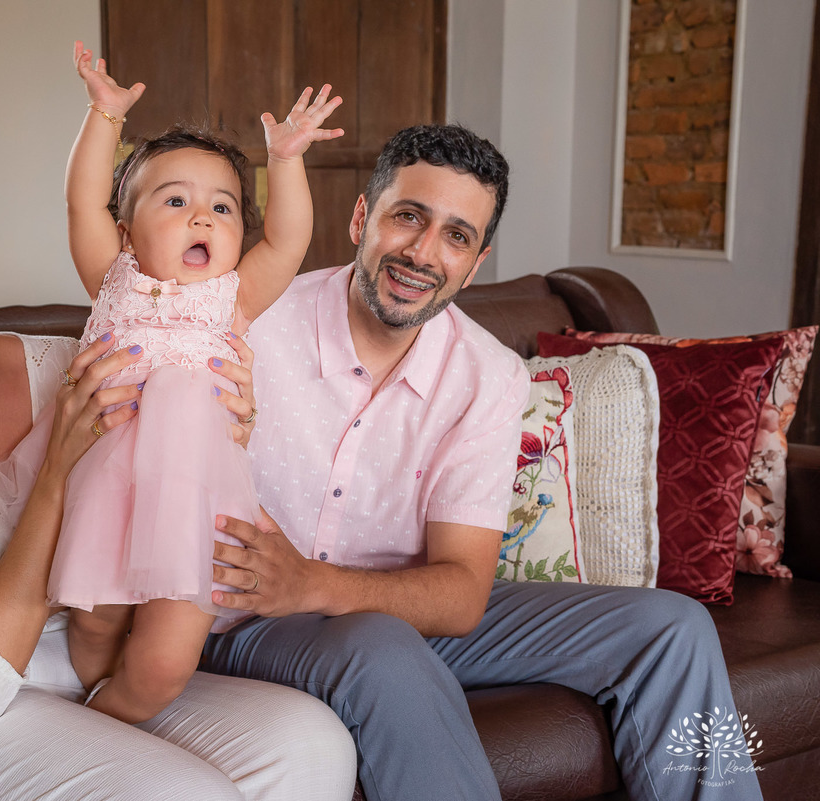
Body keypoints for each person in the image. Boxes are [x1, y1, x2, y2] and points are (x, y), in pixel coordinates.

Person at [200, 123, 764, 801]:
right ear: (361, 217)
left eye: (457, 236)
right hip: (250, 619)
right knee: (381, 647)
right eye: (408, 216)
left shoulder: (489, 375)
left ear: (475, 262)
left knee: (673, 629)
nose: (422, 253)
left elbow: (463, 593)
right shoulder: (250, 321)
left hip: (391, 607)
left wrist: (314, 583)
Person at [0, 120, 356, 801]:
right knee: (174, 793)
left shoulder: (77, 362)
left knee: (313, 744)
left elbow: (170, 476)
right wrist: (55, 474)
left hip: (92, 669)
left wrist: (225, 430)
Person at [7, 41, 342, 725]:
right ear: (127, 233)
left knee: (162, 664)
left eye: (223, 207)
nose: (202, 217)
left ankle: (118, 721)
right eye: (176, 200)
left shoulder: (233, 298)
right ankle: (98, 715)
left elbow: (289, 240)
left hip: (195, 507)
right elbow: (81, 202)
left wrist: (285, 161)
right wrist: (104, 117)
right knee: (94, 627)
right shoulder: (114, 277)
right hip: (107, 492)